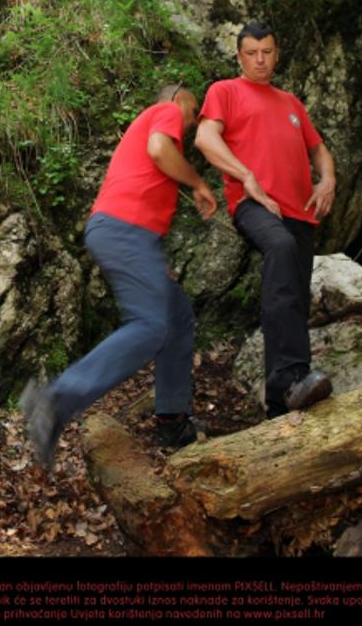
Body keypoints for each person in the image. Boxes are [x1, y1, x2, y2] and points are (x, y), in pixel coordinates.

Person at [21, 85, 218, 469]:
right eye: (194, 111)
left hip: (128, 234)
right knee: (149, 325)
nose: (193, 123)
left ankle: (172, 421)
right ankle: (57, 398)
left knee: (176, 316)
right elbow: (161, 151)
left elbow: (143, 184)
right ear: (177, 98)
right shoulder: (163, 112)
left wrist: (153, 258)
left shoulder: (145, 127)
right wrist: (198, 182)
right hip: (123, 231)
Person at [194, 22, 336, 419]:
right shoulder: (225, 91)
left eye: (267, 52)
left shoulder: (291, 102)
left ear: (277, 54)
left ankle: (280, 406)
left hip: (301, 213)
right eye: (252, 53)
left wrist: (328, 179)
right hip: (256, 204)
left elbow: (319, 150)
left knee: (294, 297)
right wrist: (246, 176)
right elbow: (206, 139)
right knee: (279, 246)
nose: (260, 60)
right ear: (239, 56)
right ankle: (291, 377)